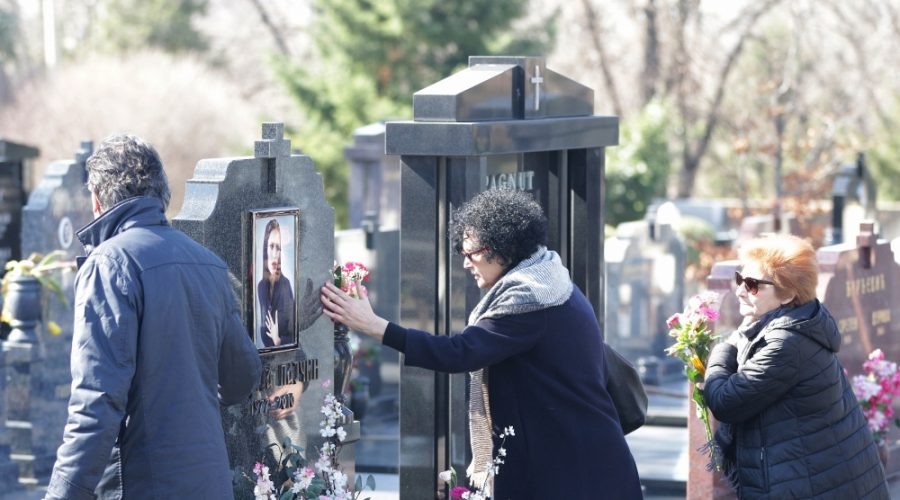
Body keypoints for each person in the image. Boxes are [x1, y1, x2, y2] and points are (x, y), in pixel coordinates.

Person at [321, 189, 641, 499]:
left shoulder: (532, 298)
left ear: (503, 247)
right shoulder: (548, 278)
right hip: (573, 460)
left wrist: (374, 326)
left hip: (577, 472)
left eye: (471, 253)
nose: (466, 263)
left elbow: (459, 353)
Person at [45, 134, 262, 499]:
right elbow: (242, 377)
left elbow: (97, 401)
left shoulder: (109, 264)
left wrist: (61, 494)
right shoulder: (208, 264)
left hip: (144, 483)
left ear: (97, 200)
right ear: (163, 194)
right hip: (209, 483)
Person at [704, 234, 888, 499]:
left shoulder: (786, 342)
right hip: (817, 478)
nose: (740, 290)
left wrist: (724, 348)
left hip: (814, 485)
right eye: (740, 279)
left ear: (788, 294)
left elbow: (725, 401)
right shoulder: (798, 322)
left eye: (753, 285)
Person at [257, 218, 295, 347]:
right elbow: (263, 332)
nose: (274, 254)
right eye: (271, 246)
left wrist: (278, 340)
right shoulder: (261, 287)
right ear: (265, 249)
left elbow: (294, 335)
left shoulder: (285, 286)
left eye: (278, 248)